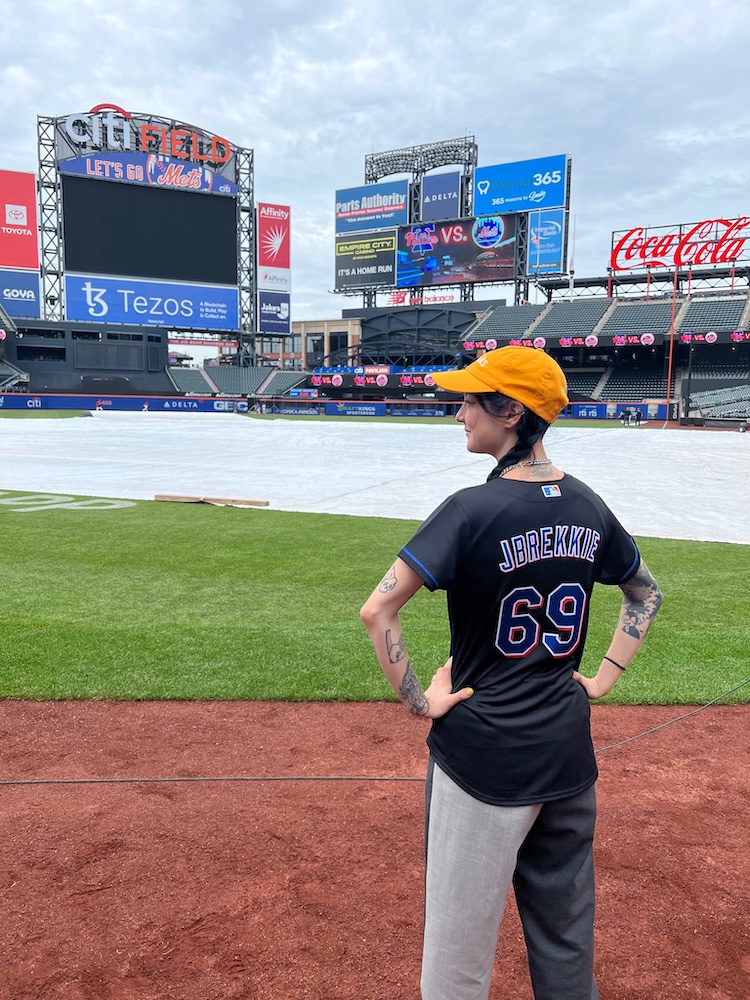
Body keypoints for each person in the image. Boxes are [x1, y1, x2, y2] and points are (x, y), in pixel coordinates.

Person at [360, 346, 663, 1000]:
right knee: (565, 947)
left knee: (456, 963)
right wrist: (603, 678)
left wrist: (421, 702)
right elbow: (646, 593)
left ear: (512, 413)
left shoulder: (470, 509)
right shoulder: (587, 505)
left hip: (484, 761)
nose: (460, 413)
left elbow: (377, 610)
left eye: (472, 401)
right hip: (568, 755)